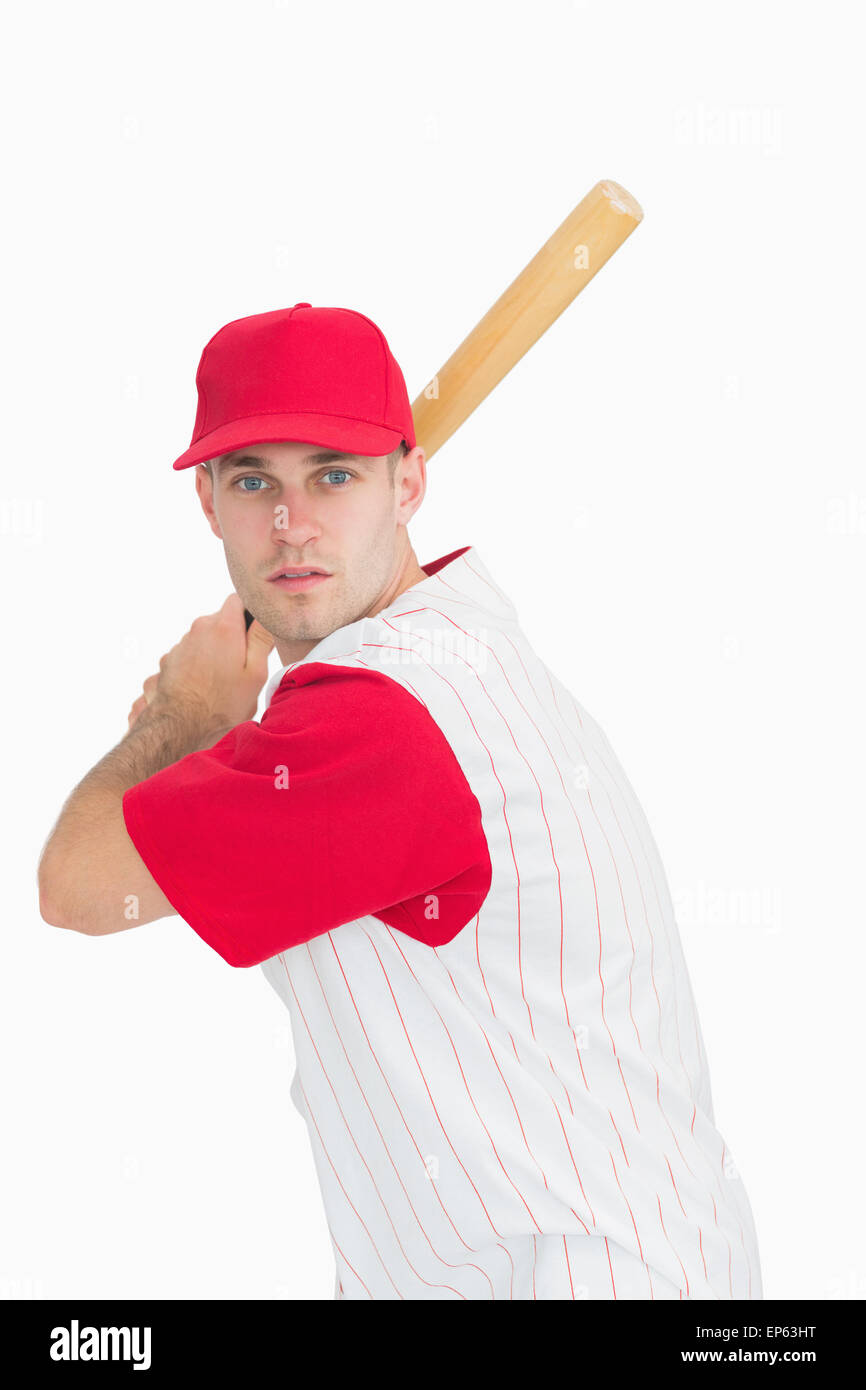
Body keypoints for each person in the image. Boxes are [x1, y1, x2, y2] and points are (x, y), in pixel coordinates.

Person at [37, 303, 763, 1301]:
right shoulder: (455, 639)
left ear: (407, 483)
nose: (292, 526)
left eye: (333, 475)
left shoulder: (378, 716)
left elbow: (75, 884)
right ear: (208, 500)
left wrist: (182, 719)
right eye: (256, 482)